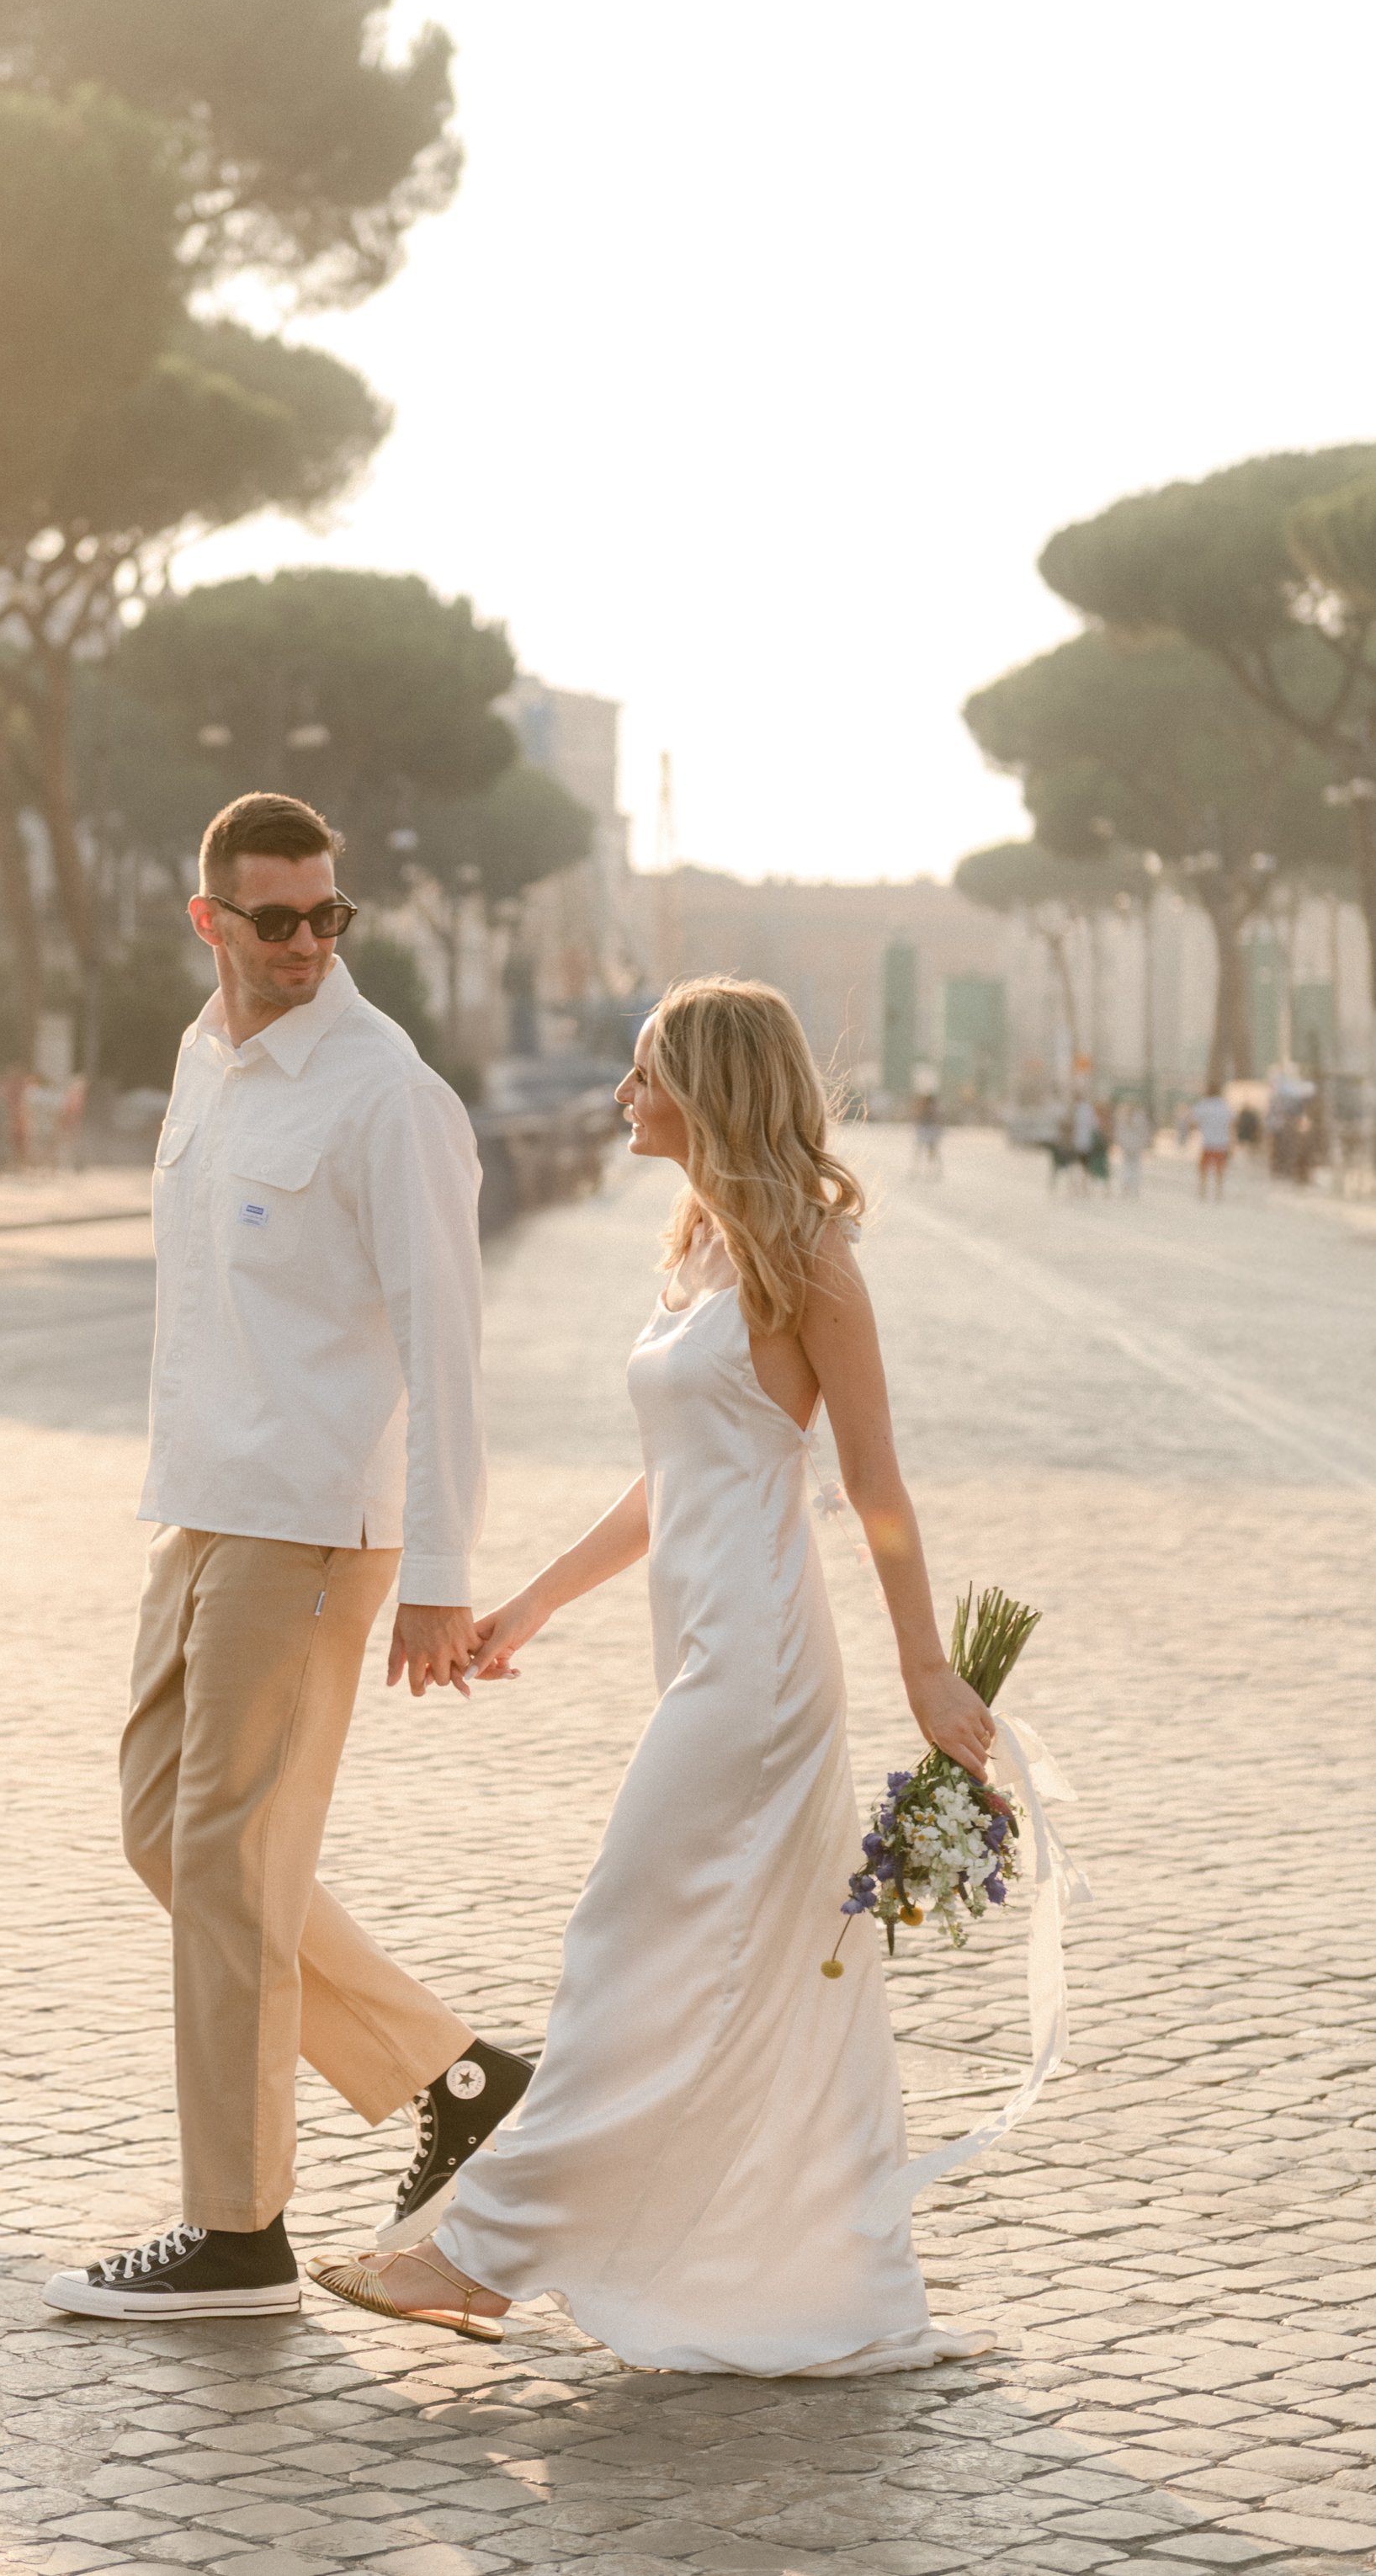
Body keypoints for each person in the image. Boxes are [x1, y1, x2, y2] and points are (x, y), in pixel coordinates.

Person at [311, 975, 991, 2375]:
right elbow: (663, 1485)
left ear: (709, 1088)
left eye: (643, 1073)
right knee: (708, 1967)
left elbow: (877, 1487)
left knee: (624, 1939)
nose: (623, 1095)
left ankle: (480, 2258)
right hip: (699, 1645)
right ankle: (788, 2265)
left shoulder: (811, 1260)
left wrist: (926, 1669)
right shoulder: (702, 1252)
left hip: (757, 1669)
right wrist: (532, 1605)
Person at [43, 791, 532, 2324]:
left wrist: (441, 1567)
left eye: (330, 916)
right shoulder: (207, 1059)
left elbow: (449, 1347)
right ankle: (450, 2074)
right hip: (201, 1505)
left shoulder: (386, 1094)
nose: (309, 942)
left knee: (234, 1863)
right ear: (212, 921)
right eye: (277, 919)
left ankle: (234, 2228)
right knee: (164, 1838)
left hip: (314, 1522)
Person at [1193, 1084, 1233, 1200]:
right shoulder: (1225, 1106)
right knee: (1219, 1172)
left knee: (1204, 1170)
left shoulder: (1204, 1104)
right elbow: (1231, 1124)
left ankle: (1202, 1193)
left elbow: (1194, 1121)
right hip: (1222, 1143)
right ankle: (1218, 1194)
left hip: (1208, 1142)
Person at [1115, 1099, 1150, 1199]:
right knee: (1135, 1166)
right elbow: (1144, 1131)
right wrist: (1144, 1142)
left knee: (1127, 1165)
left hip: (1127, 1144)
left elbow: (1119, 1132)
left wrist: (1121, 1142)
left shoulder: (1123, 1117)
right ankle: (1134, 1187)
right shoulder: (1139, 1117)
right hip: (1136, 1145)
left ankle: (1126, 1184)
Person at [910, 1088, 943, 1180]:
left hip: (929, 1129)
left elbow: (937, 1119)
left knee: (930, 1151)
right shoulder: (924, 1107)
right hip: (925, 1129)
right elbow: (918, 1118)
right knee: (922, 1150)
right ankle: (918, 1169)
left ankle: (931, 1170)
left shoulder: (932, 1108)